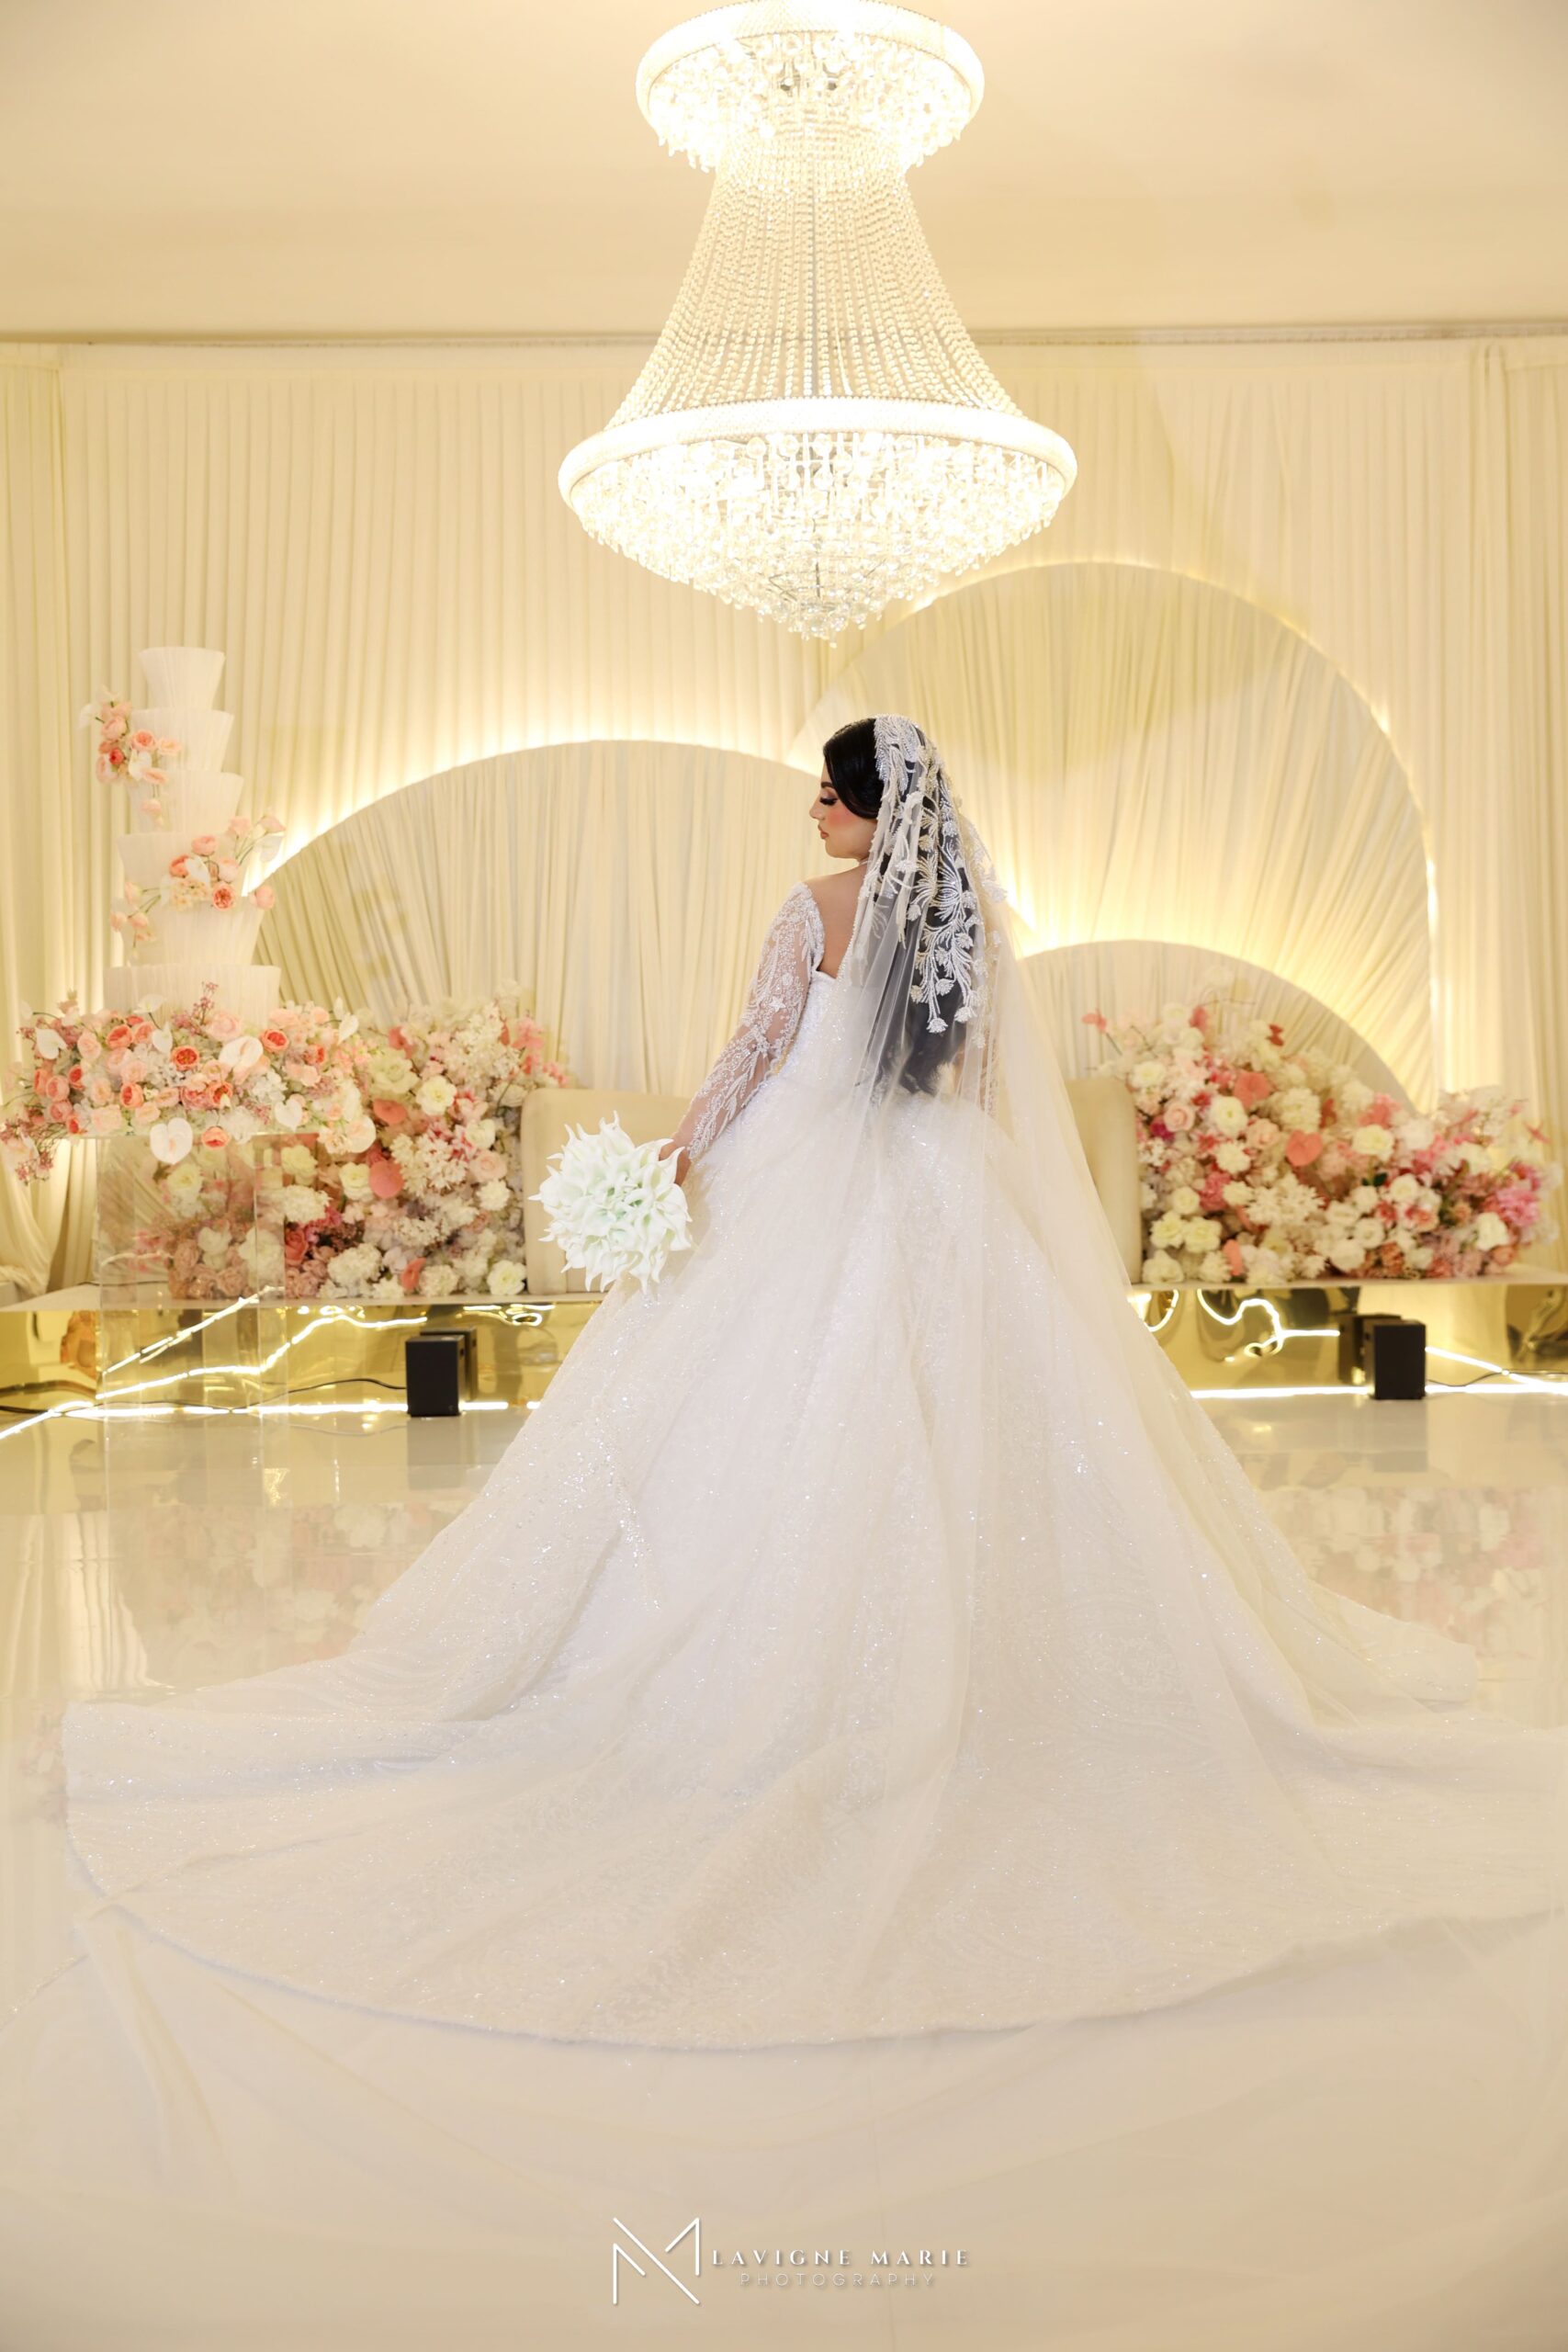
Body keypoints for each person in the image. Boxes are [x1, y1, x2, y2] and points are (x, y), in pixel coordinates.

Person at [58, 715, 1568, 2051]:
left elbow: (756, 1052)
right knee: (980, 1420)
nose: (816, 821)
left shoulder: (819, 910)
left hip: (809, 1174)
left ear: (865, 809)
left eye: (829, 801)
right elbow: (973, 1081)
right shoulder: (966, 917)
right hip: (945, 1183)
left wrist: (683, 1152)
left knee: (748, 1408)